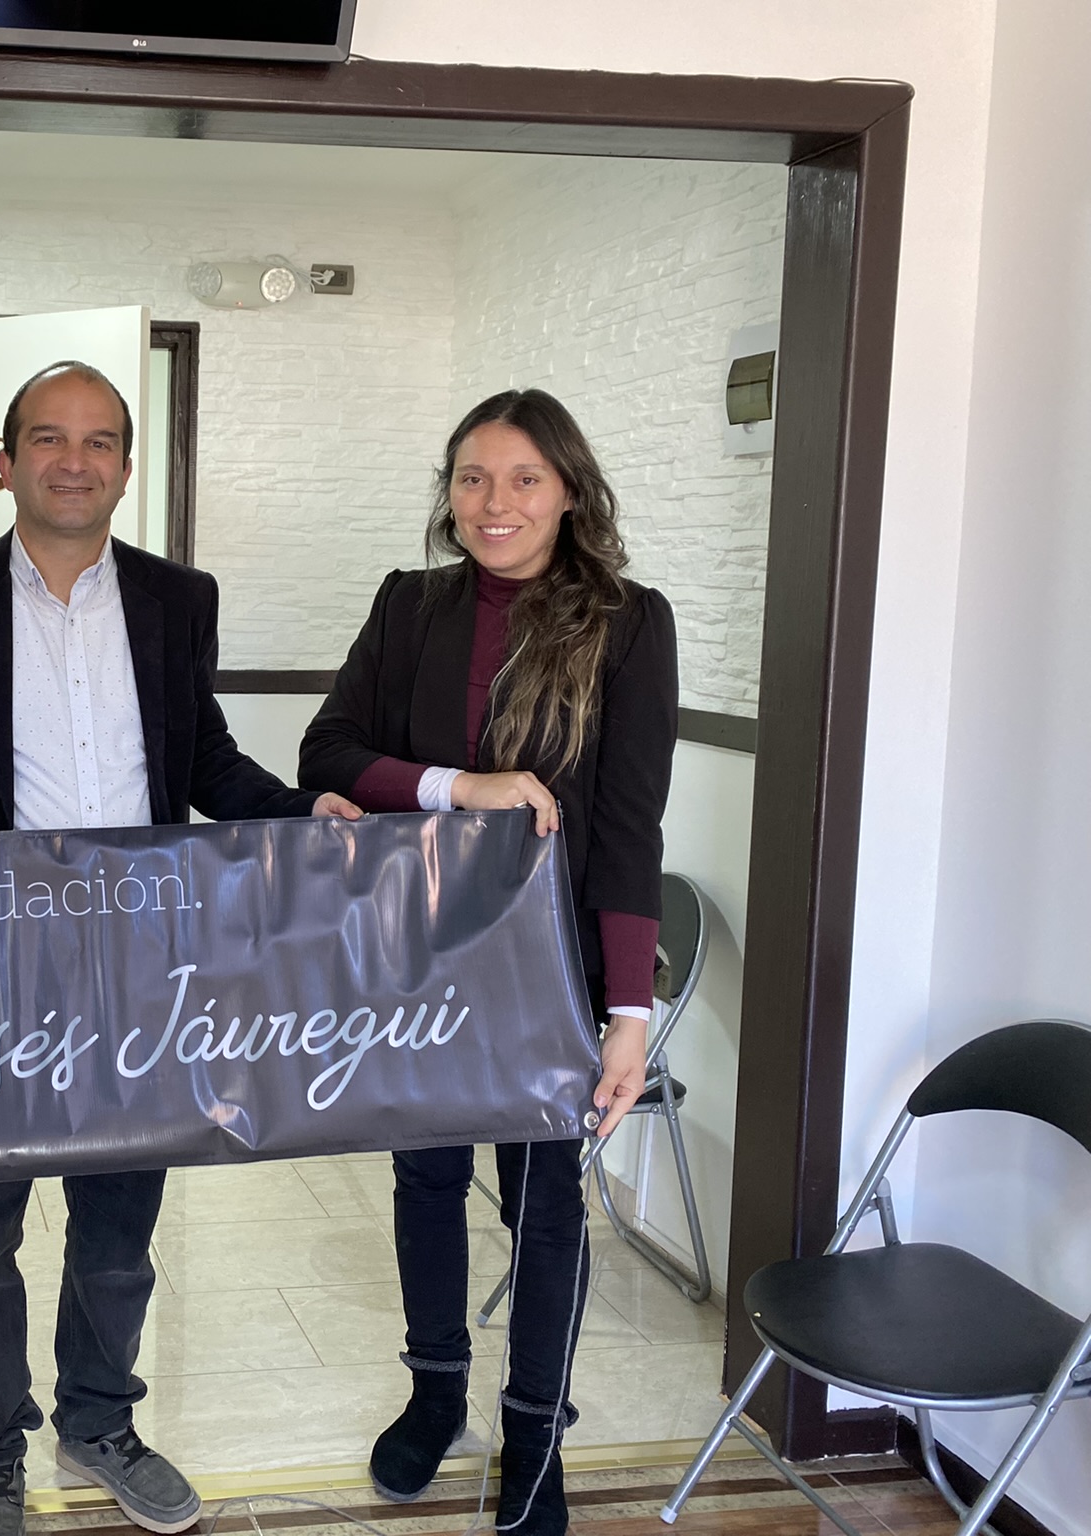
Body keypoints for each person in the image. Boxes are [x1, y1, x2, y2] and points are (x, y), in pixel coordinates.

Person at [0, 360, 360, 1536]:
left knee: (118, 1220)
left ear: (126, 468)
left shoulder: (175, 599)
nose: (72, 461)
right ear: (4, 462)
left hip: (139, 961)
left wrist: (302, 810)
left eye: (98, 441)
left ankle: (98, 1423)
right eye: (47, 438)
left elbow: (202, 760)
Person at [298, 389, 675, 1536]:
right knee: (423, 1182)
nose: (492, 501)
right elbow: (328, 749)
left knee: (542, 1205)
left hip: (547, 976)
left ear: (567, 492)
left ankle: (532, 1432)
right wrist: (455, 788)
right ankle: (433, 1395)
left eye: (521, 478)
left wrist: (627, 1012)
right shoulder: (408, 605)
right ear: (448, 493)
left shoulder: (628, 623)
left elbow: (627, 831)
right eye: (470, 477)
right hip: (418, 960)